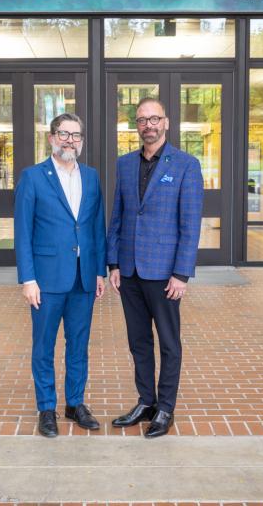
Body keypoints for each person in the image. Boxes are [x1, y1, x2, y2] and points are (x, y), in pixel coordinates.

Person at [107, 98, 203, 438]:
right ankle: (146, 401)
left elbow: (190, 224)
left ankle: (165, 408)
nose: (148, 125)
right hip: (130, 271)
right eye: (142, 120)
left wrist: (181, 273)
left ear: (166, 122)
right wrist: (114, 262)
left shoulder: (186, 165)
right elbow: (117, 215)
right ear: (137, 126)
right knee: (138, 341)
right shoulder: (125, 164)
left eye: (154, 119)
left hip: (165, 274)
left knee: (168, 342)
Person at [15, 113, 106, 438]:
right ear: (52, 138)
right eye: (64, 134)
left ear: (82, 140)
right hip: (46, 280)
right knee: (44, 346)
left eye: (76, 135)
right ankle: (46, 408)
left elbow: (96, 226)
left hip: (83, 278)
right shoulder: (34, 177)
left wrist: (99, 271)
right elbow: (23, 231)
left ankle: (75, 403)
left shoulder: (92, 177)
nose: (70, 140)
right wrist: (28, 279)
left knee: (78, 345)